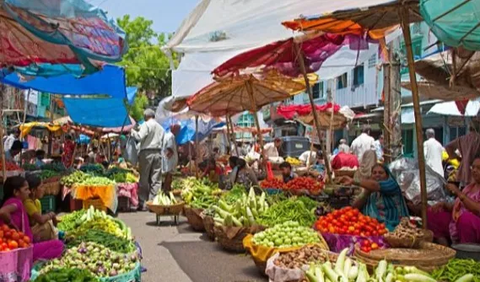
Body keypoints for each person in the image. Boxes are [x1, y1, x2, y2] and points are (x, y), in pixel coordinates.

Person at [0, 176, 63, 261]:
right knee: (58, 245)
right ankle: (32, 261)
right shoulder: (16, 203)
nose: (29, 192)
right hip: (22, 250)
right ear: (16, 192)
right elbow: (3, 211)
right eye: (26, 189)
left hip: (22, 246)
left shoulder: (13, 202)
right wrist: (13, 226)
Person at [427, 156, 480, 245]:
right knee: (431, 213)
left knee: (465, 219)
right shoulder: (469, 187)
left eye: (479, 168)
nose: (474, 170)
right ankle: (445, 247)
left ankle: (466, 251)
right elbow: (458, 207)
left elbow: (477, 209)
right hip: (456, 223)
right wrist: (444, 205)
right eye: (473, 167)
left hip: (473, 225)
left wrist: (458, 192)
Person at [339, 164, 409, 231]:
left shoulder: (392, 184)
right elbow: (355, 207)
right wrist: (366, 193)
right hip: (371, 226)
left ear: (387, 176)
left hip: (392, 225)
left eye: (381, 173)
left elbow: (376, 185)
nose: (377, 175)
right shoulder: (371, 189)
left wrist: (353, 181)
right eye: (374, 173)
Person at [131, 109, 165, 209]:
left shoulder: (146, 125)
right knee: (156, 179)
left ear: (146, 116)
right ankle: (153, 202)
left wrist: (132, 131)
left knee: (144, 178)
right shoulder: (161, 128)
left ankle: (143, 202)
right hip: (158, 152)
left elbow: (139, 136)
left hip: (146, 152)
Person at [24, 174, 58, 242]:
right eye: (41, 187)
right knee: (47, 226)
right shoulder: (27, 203)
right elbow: (41, 220)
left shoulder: (37, 202)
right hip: (26, 234)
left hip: (33, 230)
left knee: (48, 223)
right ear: (33, 190)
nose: (44, 189)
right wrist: (51, 214)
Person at [163, 124, 179, 193]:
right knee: (169, 176)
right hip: (169, 161)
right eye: (178, 129)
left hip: (167, 160)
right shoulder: (171, 136)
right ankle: (166, 190)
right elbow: (170, 148)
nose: (178, 132)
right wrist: (169, 156)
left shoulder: (166, 135)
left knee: (168, 176)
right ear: (173, 128)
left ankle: (166, 189)